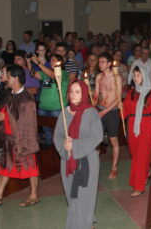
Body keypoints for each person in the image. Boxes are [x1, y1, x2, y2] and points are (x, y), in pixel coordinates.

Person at [53, 80, 103, 229]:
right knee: (71, 195)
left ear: (84, 94)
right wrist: (65, 146)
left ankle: (82, 225)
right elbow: (58, 135)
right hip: (67, 159)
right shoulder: (64, 112)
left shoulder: (90, 112)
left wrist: (74, 145)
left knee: (83, 196)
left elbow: (97, 136)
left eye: (77, 92)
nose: (73, 95)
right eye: (71, 91)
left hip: (87, 159)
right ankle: (87, 221)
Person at [0, 65, 40, 207]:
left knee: (30, 167)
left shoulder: (26, 98)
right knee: (5, 167)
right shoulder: (11, 95)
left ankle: (34, 195)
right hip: (10, 138)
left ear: (15, 78)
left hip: (23, 140)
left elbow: (25, 122)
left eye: (7, 76)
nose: (5, 79)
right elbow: (3, 114)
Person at [123, 66, 151, 197]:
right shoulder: (131, 93)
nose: (135, 78)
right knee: (136, 154)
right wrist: (120, 106)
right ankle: (145, 173)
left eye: (138, 75)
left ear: (144, 76)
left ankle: (139, 187)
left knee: (141, 156)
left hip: (146, 127)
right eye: (134, 76)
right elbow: (125, 111)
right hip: (132, 126)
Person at [29, 54, 69, 145]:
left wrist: (38, 63)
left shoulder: (64, 73)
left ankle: (60, 154)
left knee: (58, 133)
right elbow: (33, 74)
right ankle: (49, 155)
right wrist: (29, 62)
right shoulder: (46, 73)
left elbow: (53, 75)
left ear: (60, 62)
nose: (51, 62)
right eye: (50, 60)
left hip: (57, 108)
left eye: (54, 60)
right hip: (44, 107)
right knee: (47, 132)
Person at [94, 52, 122, 179]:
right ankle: (95, 165)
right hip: (100, 109)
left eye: (103, 62)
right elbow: (95, 95)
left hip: (111, 111)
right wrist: (93, 102)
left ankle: (114, 167)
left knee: (113, 140)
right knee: (96, 140)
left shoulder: (117, 78)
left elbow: (118, 99)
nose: (100, 64)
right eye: (99, 62)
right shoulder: (99, 77)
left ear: (109, 63)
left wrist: (104, 112)